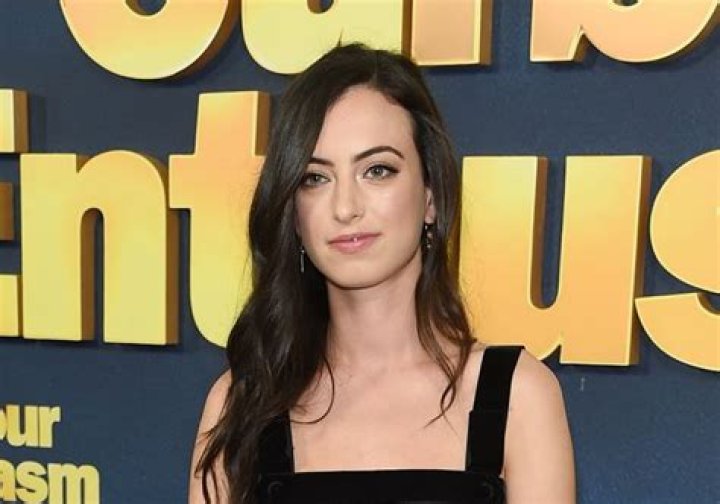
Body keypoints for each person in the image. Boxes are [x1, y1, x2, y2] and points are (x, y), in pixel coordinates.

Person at [188, 43, 575, 504]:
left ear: (431, 197)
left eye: (377, 170)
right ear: (293, 213)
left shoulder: (517, 396)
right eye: (315, 178)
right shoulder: (242, 403)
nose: (346, 207)